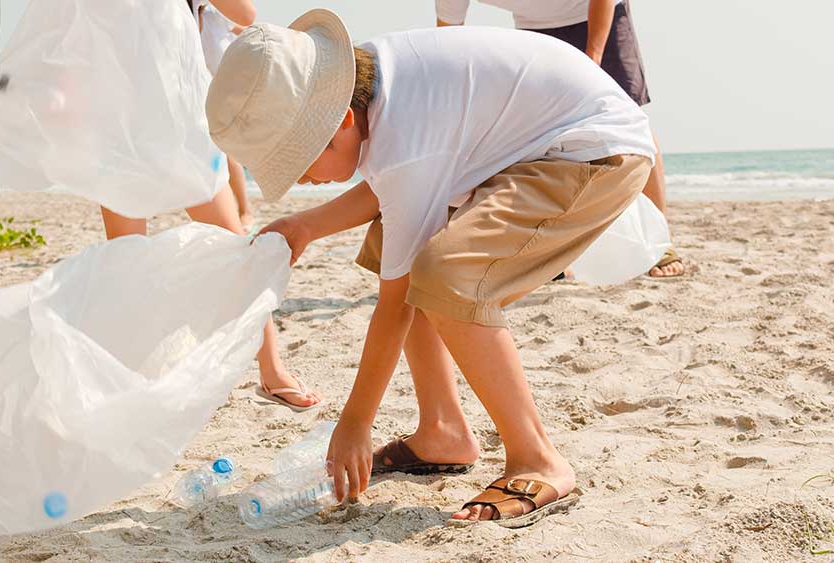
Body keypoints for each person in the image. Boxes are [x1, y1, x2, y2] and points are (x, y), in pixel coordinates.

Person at [206, 10, 655, 524]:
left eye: (299, 161)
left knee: (448, 272)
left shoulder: (403, 130)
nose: (302, 179)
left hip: (593, 151)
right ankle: (442, 429)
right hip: (526, 149)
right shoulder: (368, 84)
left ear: (341, 121)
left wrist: (356, 421)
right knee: (396, 244)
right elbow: (392, 183)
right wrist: (305, 226)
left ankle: (539, 458)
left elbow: (395, 294)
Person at [100, 0, 319, 412]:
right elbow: (245, 13)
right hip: (134, 122)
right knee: (132, 261)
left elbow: (243, 15)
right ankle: (269, 373)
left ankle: (271, 372)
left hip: (157, 121)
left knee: (228, 250)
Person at [436, 0, 684, 277]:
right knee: (544, 132)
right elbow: (448, 45)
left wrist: (592, 59)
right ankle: (554, 257)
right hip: (535, 31)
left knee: (628, 117)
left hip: (597, 13)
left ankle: (661, 246)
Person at [190, 0, 256, 229]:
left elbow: (247, 23)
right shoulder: (181, 16)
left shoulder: (215, 18)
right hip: (197, 92)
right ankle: (238, 213)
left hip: (220, 91)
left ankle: (245, 211)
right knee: (213, 156)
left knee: (226, 153)